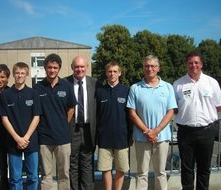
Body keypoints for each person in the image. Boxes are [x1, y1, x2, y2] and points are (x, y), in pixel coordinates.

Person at [173, 51, 221, 190]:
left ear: (201, 64)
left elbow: (219, 106)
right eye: (190, 63)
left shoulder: (211, 82)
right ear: (186, 65)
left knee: (204, 168)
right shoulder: (178, 84)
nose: (193, 65)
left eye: (196, 62)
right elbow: (174, 108)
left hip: (206, 131)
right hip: (185, 132)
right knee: (186, 169)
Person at [127, 55, 177, 190]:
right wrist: (147, 131)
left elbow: (171, 112)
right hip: (141, 138)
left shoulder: (167, 87)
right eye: (147, 66)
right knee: (141, 173)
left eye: (153, 66)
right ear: (143, 68)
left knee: (160, 172)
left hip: (162, 137)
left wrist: (156, 131)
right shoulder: (135, 88)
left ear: (158, 68)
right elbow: (132, 113)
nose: (150, 68)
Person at [33, 53, 76, 190]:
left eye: (55, 68)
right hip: (44, 138)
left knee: (64, 174)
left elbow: (71, 109)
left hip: (63, 138)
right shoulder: (37, 88)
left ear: (59, 69)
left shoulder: (67, 86)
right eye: (49, 67)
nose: (52, 70)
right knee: (46, 174)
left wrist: (62, 123)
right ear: (45, 68)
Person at [0, 62, 41, 190]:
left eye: (22, 73)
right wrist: (17, 138)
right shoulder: (5, 94)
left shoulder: (33, 93)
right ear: (13, 75)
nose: (19, 75)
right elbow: (4, 119)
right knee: (15, 178)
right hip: (12, 141)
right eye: (17, 73)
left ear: (27, 74)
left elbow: (36, 117)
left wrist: (25, 138)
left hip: (30, 141)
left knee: (33, 176)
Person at [65, 55, 101, 190]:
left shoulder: (95, 83)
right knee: (72, 163)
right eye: (76, 67)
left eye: (82, 66)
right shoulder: (64, 83)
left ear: (87, 67)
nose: (79, 69)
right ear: (72, 68)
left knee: (87, 163)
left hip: (88, 129)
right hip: (71, 128)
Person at [96, 61, 132, 190]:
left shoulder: (127, 91)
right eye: (110, 71)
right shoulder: (100, 91)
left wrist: (130, 135)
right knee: (105, 169)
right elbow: (97, 115)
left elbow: (130, 115)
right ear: (106, 73)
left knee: (121, 169)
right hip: (104, 138)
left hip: (122, 138)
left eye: (115, 71)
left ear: (120, 73)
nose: (112, 74)